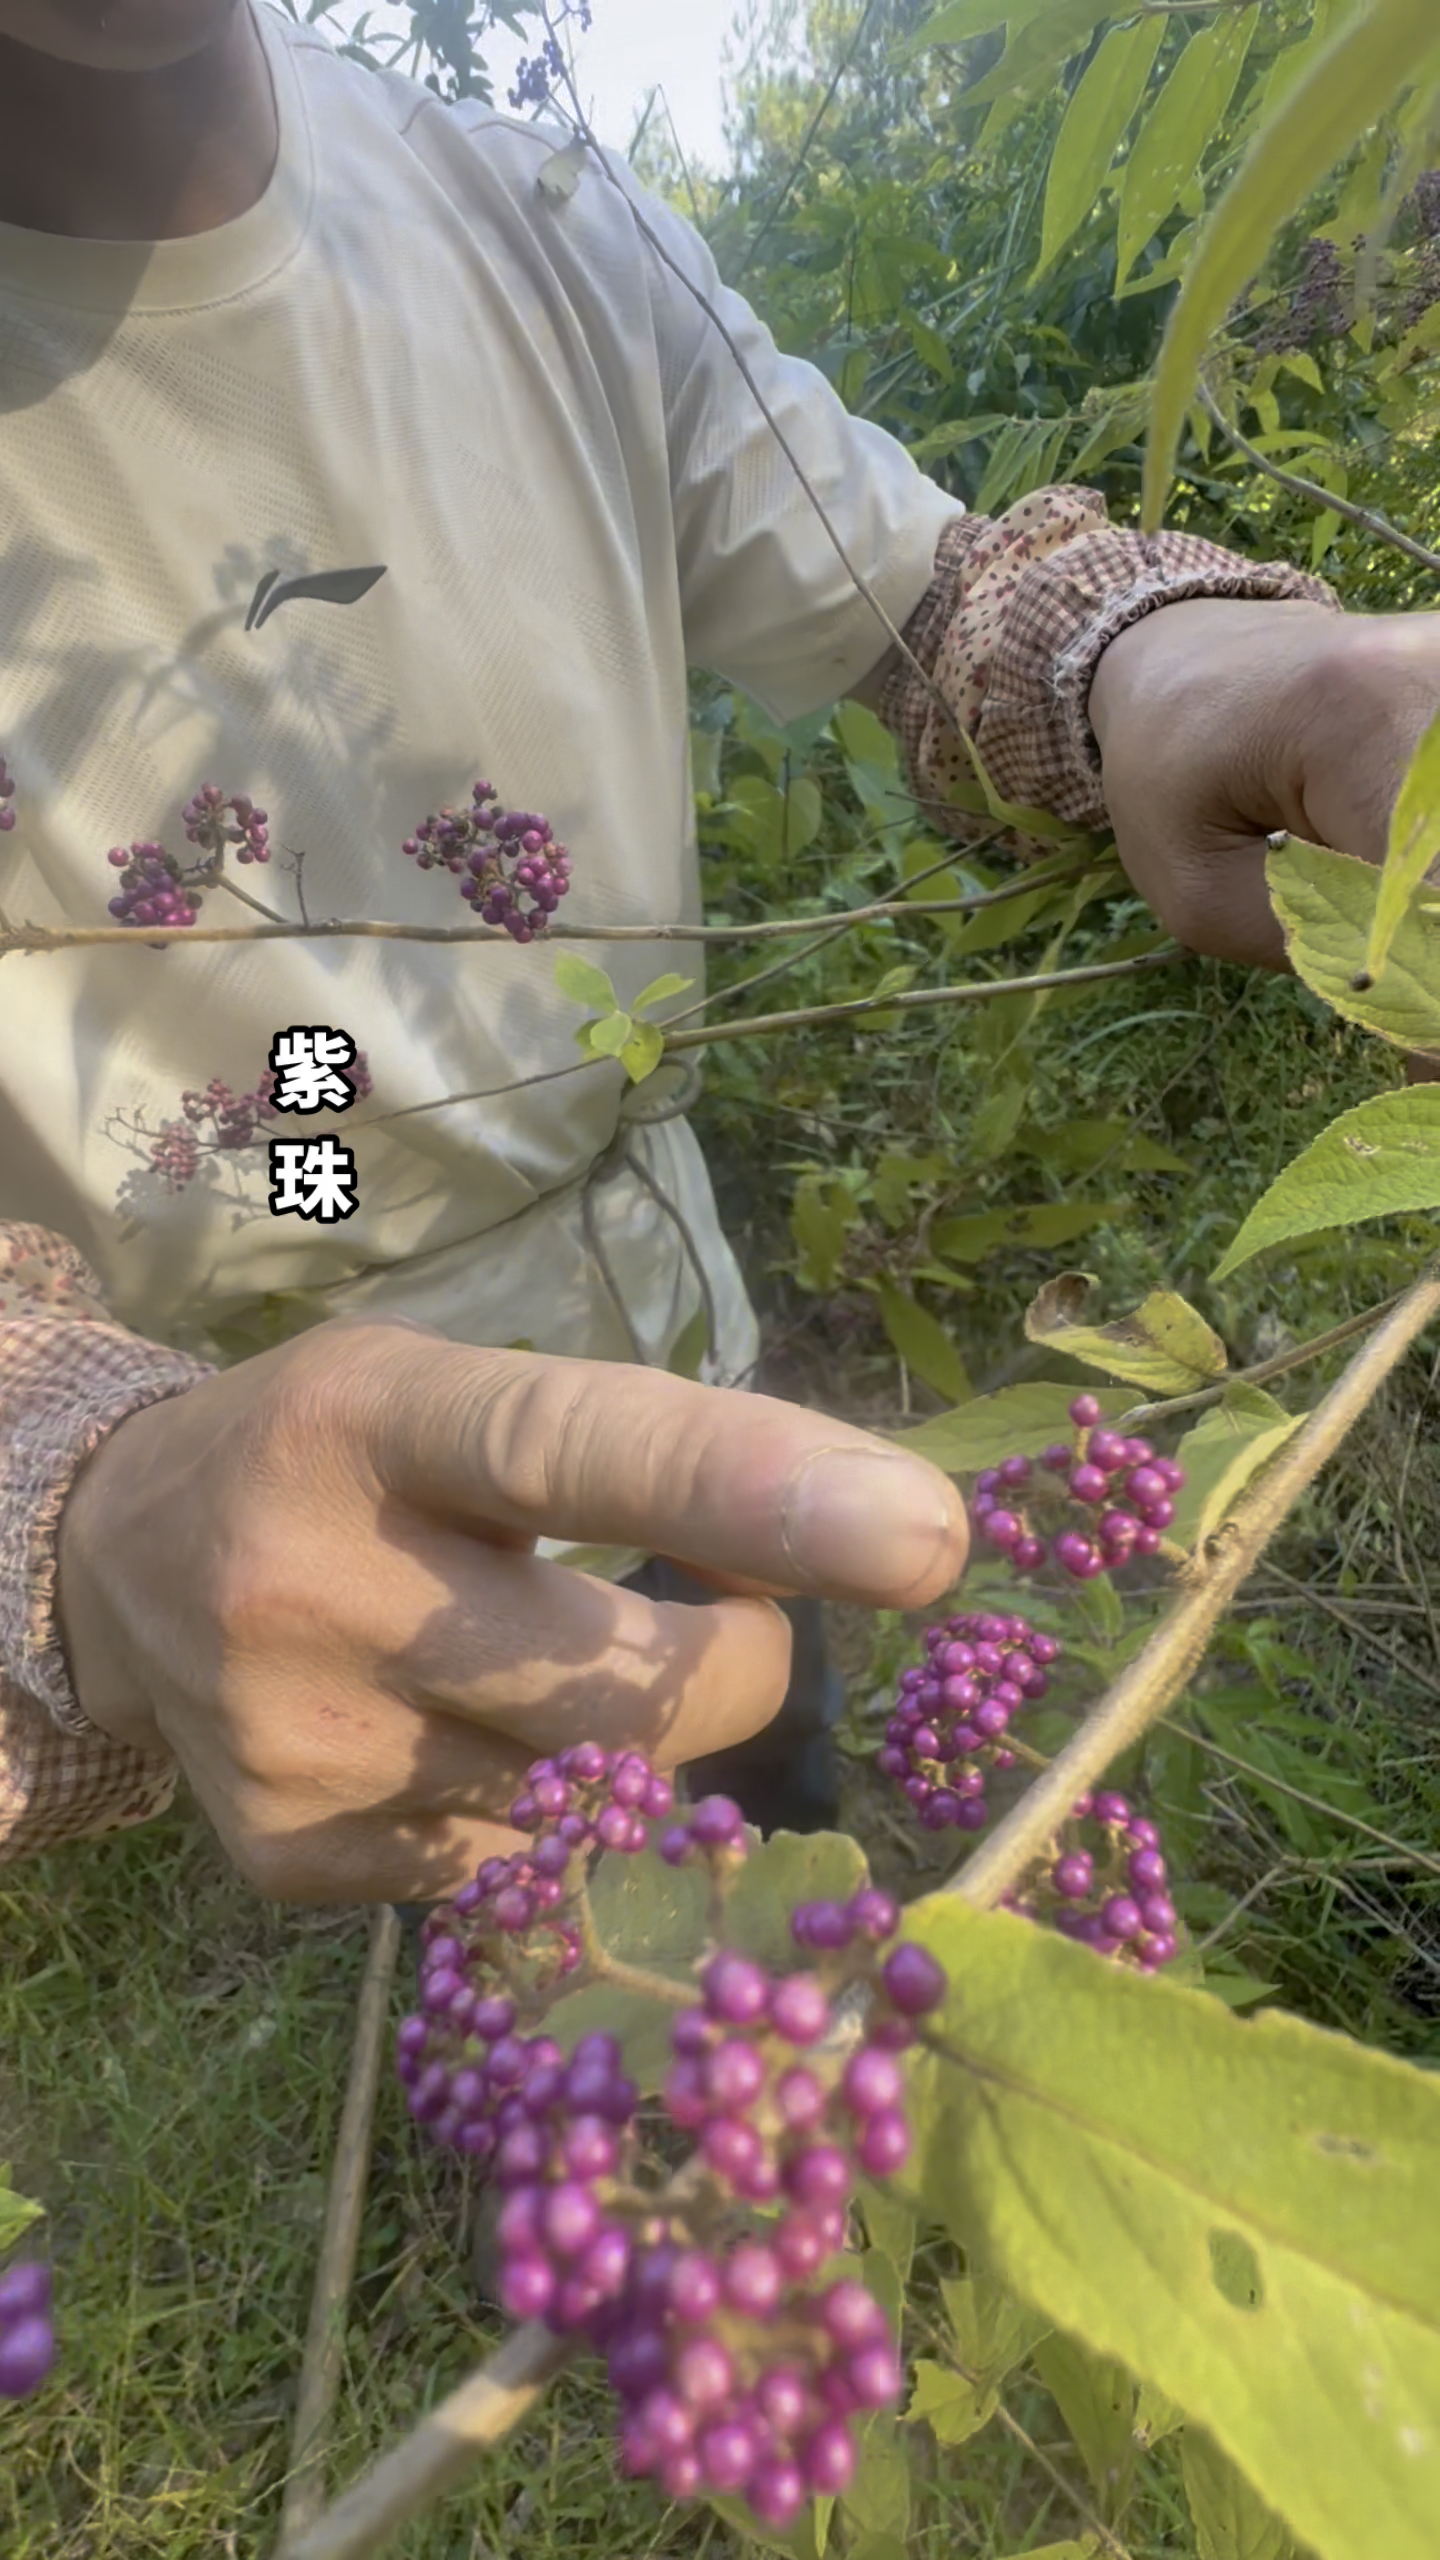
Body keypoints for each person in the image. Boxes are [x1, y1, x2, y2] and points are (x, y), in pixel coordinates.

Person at [0, 0, 1435, 1915]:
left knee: (778, 1817)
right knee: (565, 1987)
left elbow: (926, 594)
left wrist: (1169, 661)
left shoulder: (537, 214)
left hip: (689, 1352)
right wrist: (78, 1501)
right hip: (315, 1506)